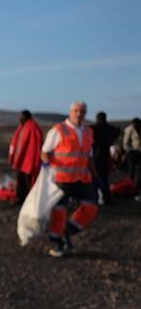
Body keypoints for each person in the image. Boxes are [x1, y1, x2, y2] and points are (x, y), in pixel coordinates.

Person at [41, 101, 99, 257]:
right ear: (70, 112)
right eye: (76, 111)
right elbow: (45, 151)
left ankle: (67, 230)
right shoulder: (58, 130)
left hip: (82, 178)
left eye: (82, 111)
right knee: (59, 211)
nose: (79, 114)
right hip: (62, 179)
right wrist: (47, 166)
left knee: (91, 208)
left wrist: (95, 176)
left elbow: (89, 156)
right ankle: (57, 243)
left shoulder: (88, 132)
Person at [8, 110, 43, 204]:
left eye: (21, 117)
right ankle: (22, 198)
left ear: (26, 117)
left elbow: (33, 145)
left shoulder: (31, 127)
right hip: (24, 160)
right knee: (22, 180)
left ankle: (25, 199)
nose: (20, 119)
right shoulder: (24, 127)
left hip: (27, 160)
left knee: (26, 181)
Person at [91, 112, 121, 204]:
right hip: (105, 156)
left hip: (95, 157)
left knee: (94, 178)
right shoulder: (110, 129)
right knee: (104, 179)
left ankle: (95, 198)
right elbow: (117, 131)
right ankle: (107, 198)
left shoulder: (94, 129)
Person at [123, 117, 141, 189]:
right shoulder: (129, 129)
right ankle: (130, 186)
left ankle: (138, 186)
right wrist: (131, 150)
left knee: (139, 170)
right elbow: (125, 143)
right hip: (132, 153)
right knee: (131, 170)